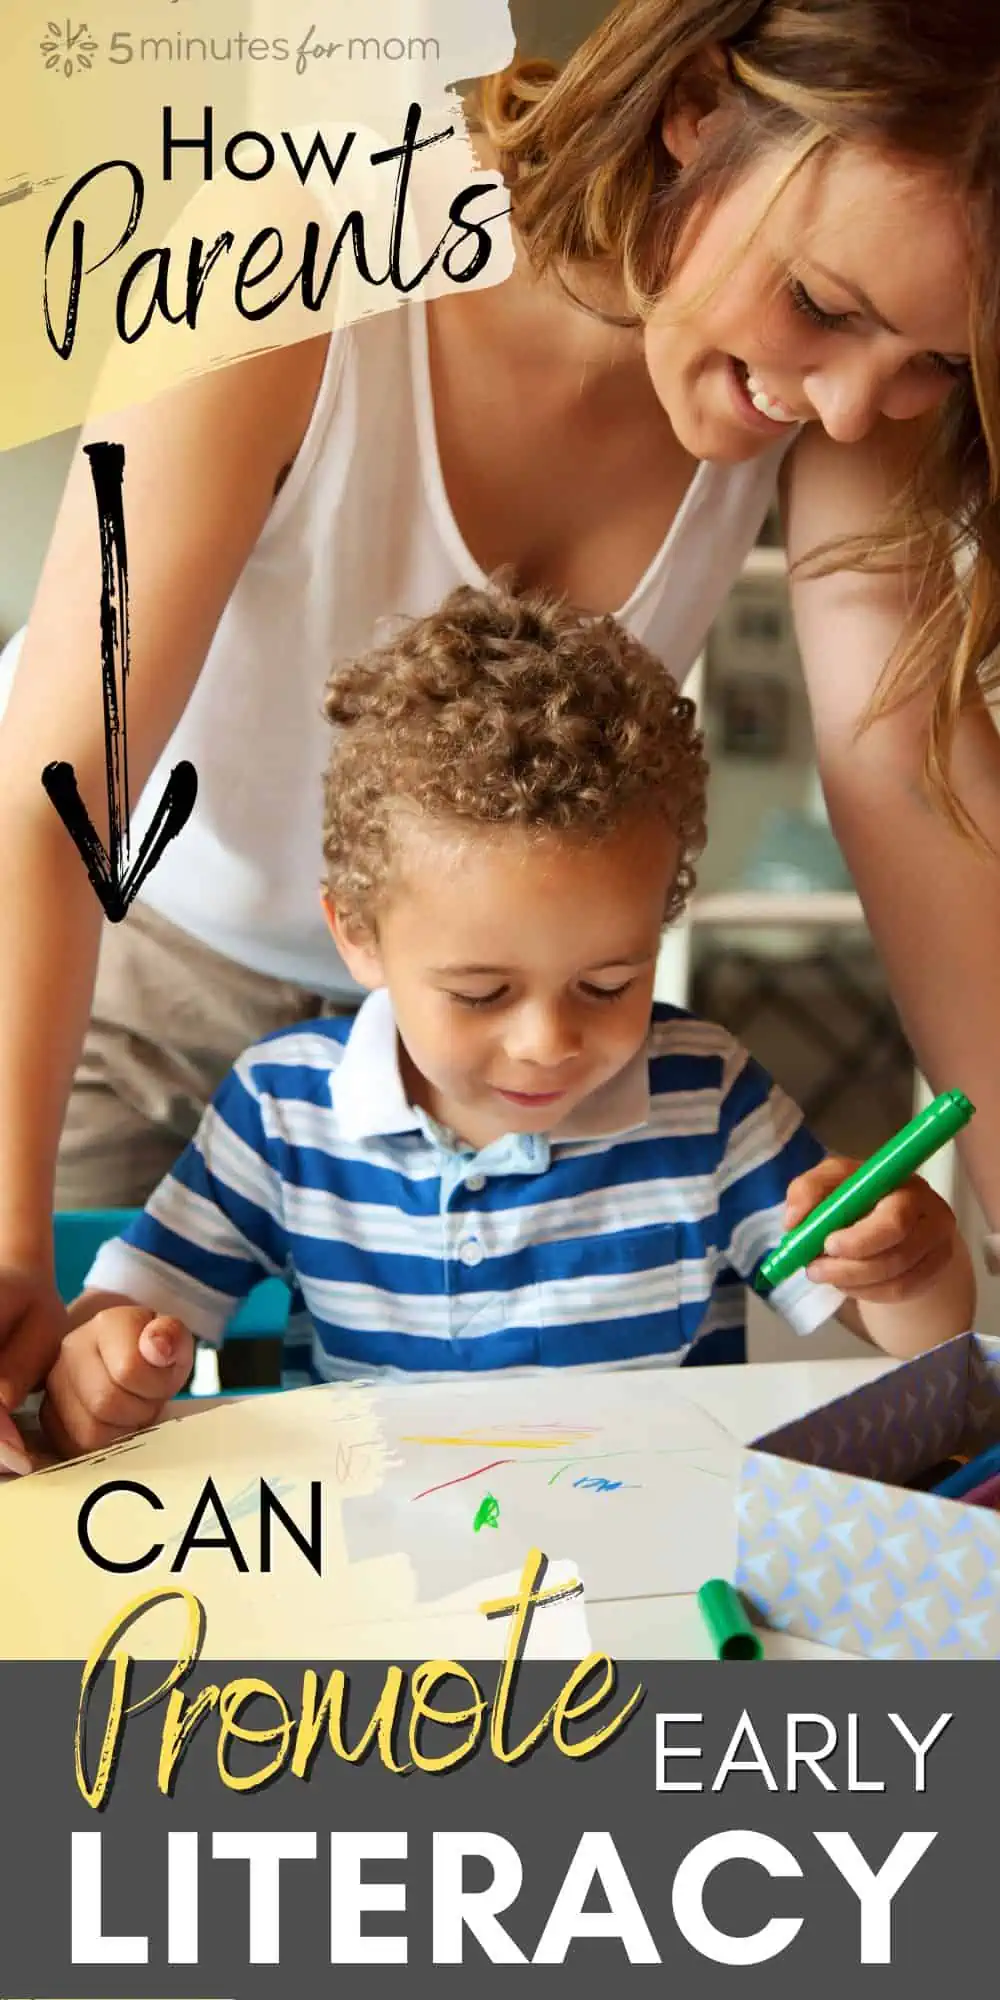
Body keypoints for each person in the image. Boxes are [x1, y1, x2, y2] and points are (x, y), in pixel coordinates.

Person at [2, 0, 1000, 1447]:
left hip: (528, 1026)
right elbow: (56, 794)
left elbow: (905, 767)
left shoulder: (849, 381)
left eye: (932, 365)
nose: (851, 410)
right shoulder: (287, 234)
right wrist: (15, 1251)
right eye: (824, 308)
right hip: (131, 981)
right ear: (696, 105)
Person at [35, 585, 974, 1461]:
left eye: (609, 983)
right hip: (385, 1575)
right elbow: (122, 1319)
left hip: (650, 1565)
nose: (548, 1043)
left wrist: (913, 1267)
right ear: (358, 936)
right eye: (481, 993)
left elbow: (924, 1350)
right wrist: (115, 1363)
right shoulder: (284, 1111)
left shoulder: (709, 1100)